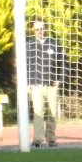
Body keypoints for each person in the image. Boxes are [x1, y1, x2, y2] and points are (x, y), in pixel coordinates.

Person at [26, 18, 66, 148]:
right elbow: (25, 65)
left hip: (51, 86)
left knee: (53, 113)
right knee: (38, 112)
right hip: (36, 85)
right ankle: (38, 139)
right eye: (37, 29)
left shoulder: (54, 44)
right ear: (33, 30)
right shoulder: (29, 45)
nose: (39, 31)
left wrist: (60, 79)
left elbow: (63, 62)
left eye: (41, 28)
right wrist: (27, 83)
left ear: (45, 29)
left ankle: (51, 139)